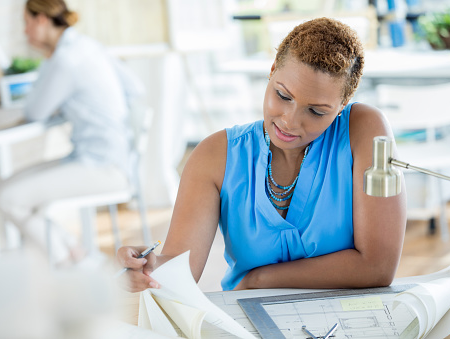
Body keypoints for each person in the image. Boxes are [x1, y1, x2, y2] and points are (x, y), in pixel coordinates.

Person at [117, 17, 407, 292]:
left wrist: (261, 279)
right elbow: (180, 271)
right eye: (283, 95)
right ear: (271, 72)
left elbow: (378, 267)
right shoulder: (215, 156)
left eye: (317, 111)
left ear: (343, 104)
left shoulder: (364, 130)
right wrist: (147, 268)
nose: (290, 121)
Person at [0, 0, 143, 266]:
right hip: (114, 157)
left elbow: (35, 111)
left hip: (102, 166)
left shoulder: (65, 59)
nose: (24, 31)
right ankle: (78, 255)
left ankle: (75, 264)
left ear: (42, 20)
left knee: (8, 198)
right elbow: (135, 88)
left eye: (27, 22)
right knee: (6, 189)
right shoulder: (88, 46)